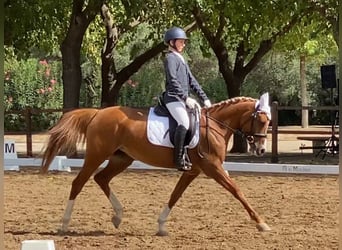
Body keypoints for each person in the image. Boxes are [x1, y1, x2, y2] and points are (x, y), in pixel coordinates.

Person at [163, 26, 212, 171]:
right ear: (172, 42)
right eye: (181, 42)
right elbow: (172, 80)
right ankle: (178, 159)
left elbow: (192, 80)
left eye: (184, 42)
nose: (183, 44)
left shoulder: (181, 59)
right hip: (172, 98)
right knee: (183, 122)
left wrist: (205, 98)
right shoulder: (170, 58)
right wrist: (185, 98)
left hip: (181, 99)